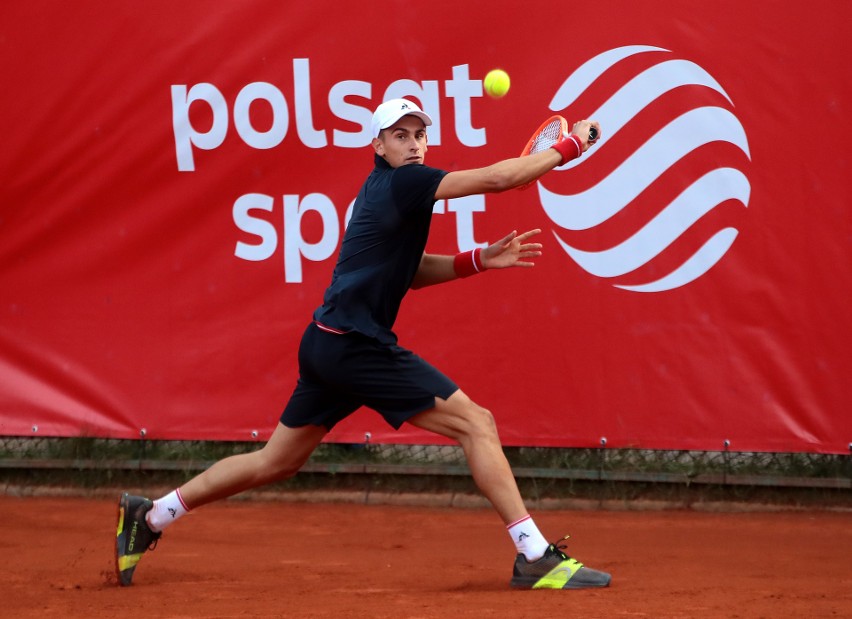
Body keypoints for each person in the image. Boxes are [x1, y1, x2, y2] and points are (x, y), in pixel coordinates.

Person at [115, 98, 608, 590]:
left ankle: (152, 515)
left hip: (326, 343)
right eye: (400, 136)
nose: (413, 144)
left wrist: (476, 260)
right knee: (477, 424)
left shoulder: (385, 190)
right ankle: (534, 555)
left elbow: (407, 272)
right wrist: (571, 145)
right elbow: (501, 178)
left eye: (419, 135)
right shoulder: (406, 182)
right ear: (378, 145)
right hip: (355, 346)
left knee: (276, 461)